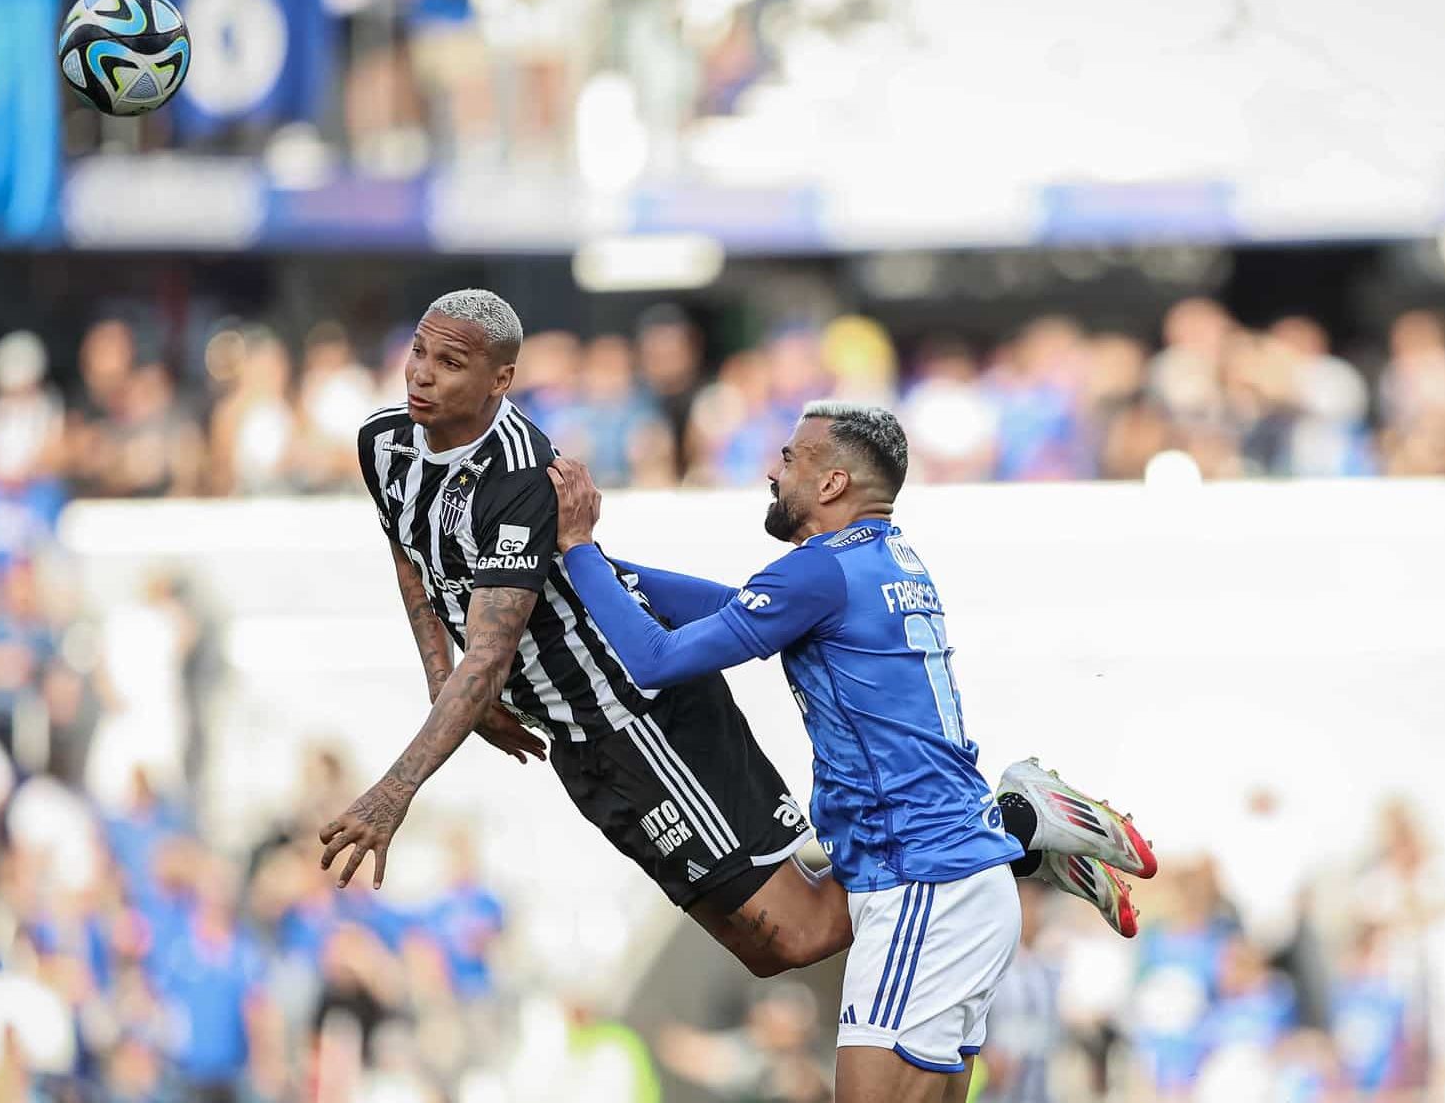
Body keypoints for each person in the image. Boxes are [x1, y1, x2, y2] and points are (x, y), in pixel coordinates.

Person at [317, 290, 1153, 990]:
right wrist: (443, 681)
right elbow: (411, 551)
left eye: (449, 362)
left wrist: (395, 792)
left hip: (634, 714)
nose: (421, 373)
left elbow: (507, 652)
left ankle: (1009, 827)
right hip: (574, 737)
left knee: (796, 932)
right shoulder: (382, 443)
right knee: (766, 951)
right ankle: (1006, 843)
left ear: (501, 380)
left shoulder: (523, 475)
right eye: (419, 352)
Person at [542, 401, 1157, 1101]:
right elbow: (735, 607)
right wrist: (592, 569)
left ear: (832, 482)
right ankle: (1019, 828)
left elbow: (655, 660)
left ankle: (1021, 823)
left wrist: (578, 545)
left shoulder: (817, 574)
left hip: (921, 887)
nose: (774, 471)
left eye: (791, 459)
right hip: (948, 881)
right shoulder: (885, 558)